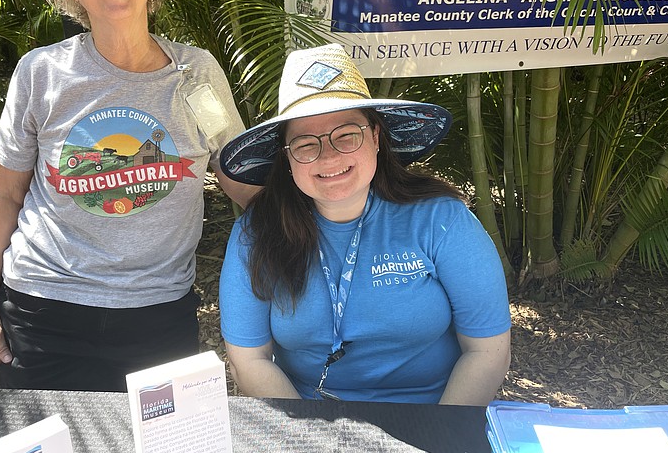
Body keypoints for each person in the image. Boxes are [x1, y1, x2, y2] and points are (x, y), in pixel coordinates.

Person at [0, 0, 256, 391]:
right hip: (42, 313)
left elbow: (246, 186)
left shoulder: (196, 75)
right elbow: (4, 192)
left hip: (158, 318)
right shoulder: (42, 73)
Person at [218, 44, 511, 404]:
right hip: (305, 421)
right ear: (287, 159)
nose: (328, 156)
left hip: (434, 412)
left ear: (375, 137)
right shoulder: (256, 233)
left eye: (346, 135)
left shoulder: (441, 220)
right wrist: (310, 441)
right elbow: (249, 361)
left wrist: (441, 435)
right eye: (306, 144)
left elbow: (487, 351)